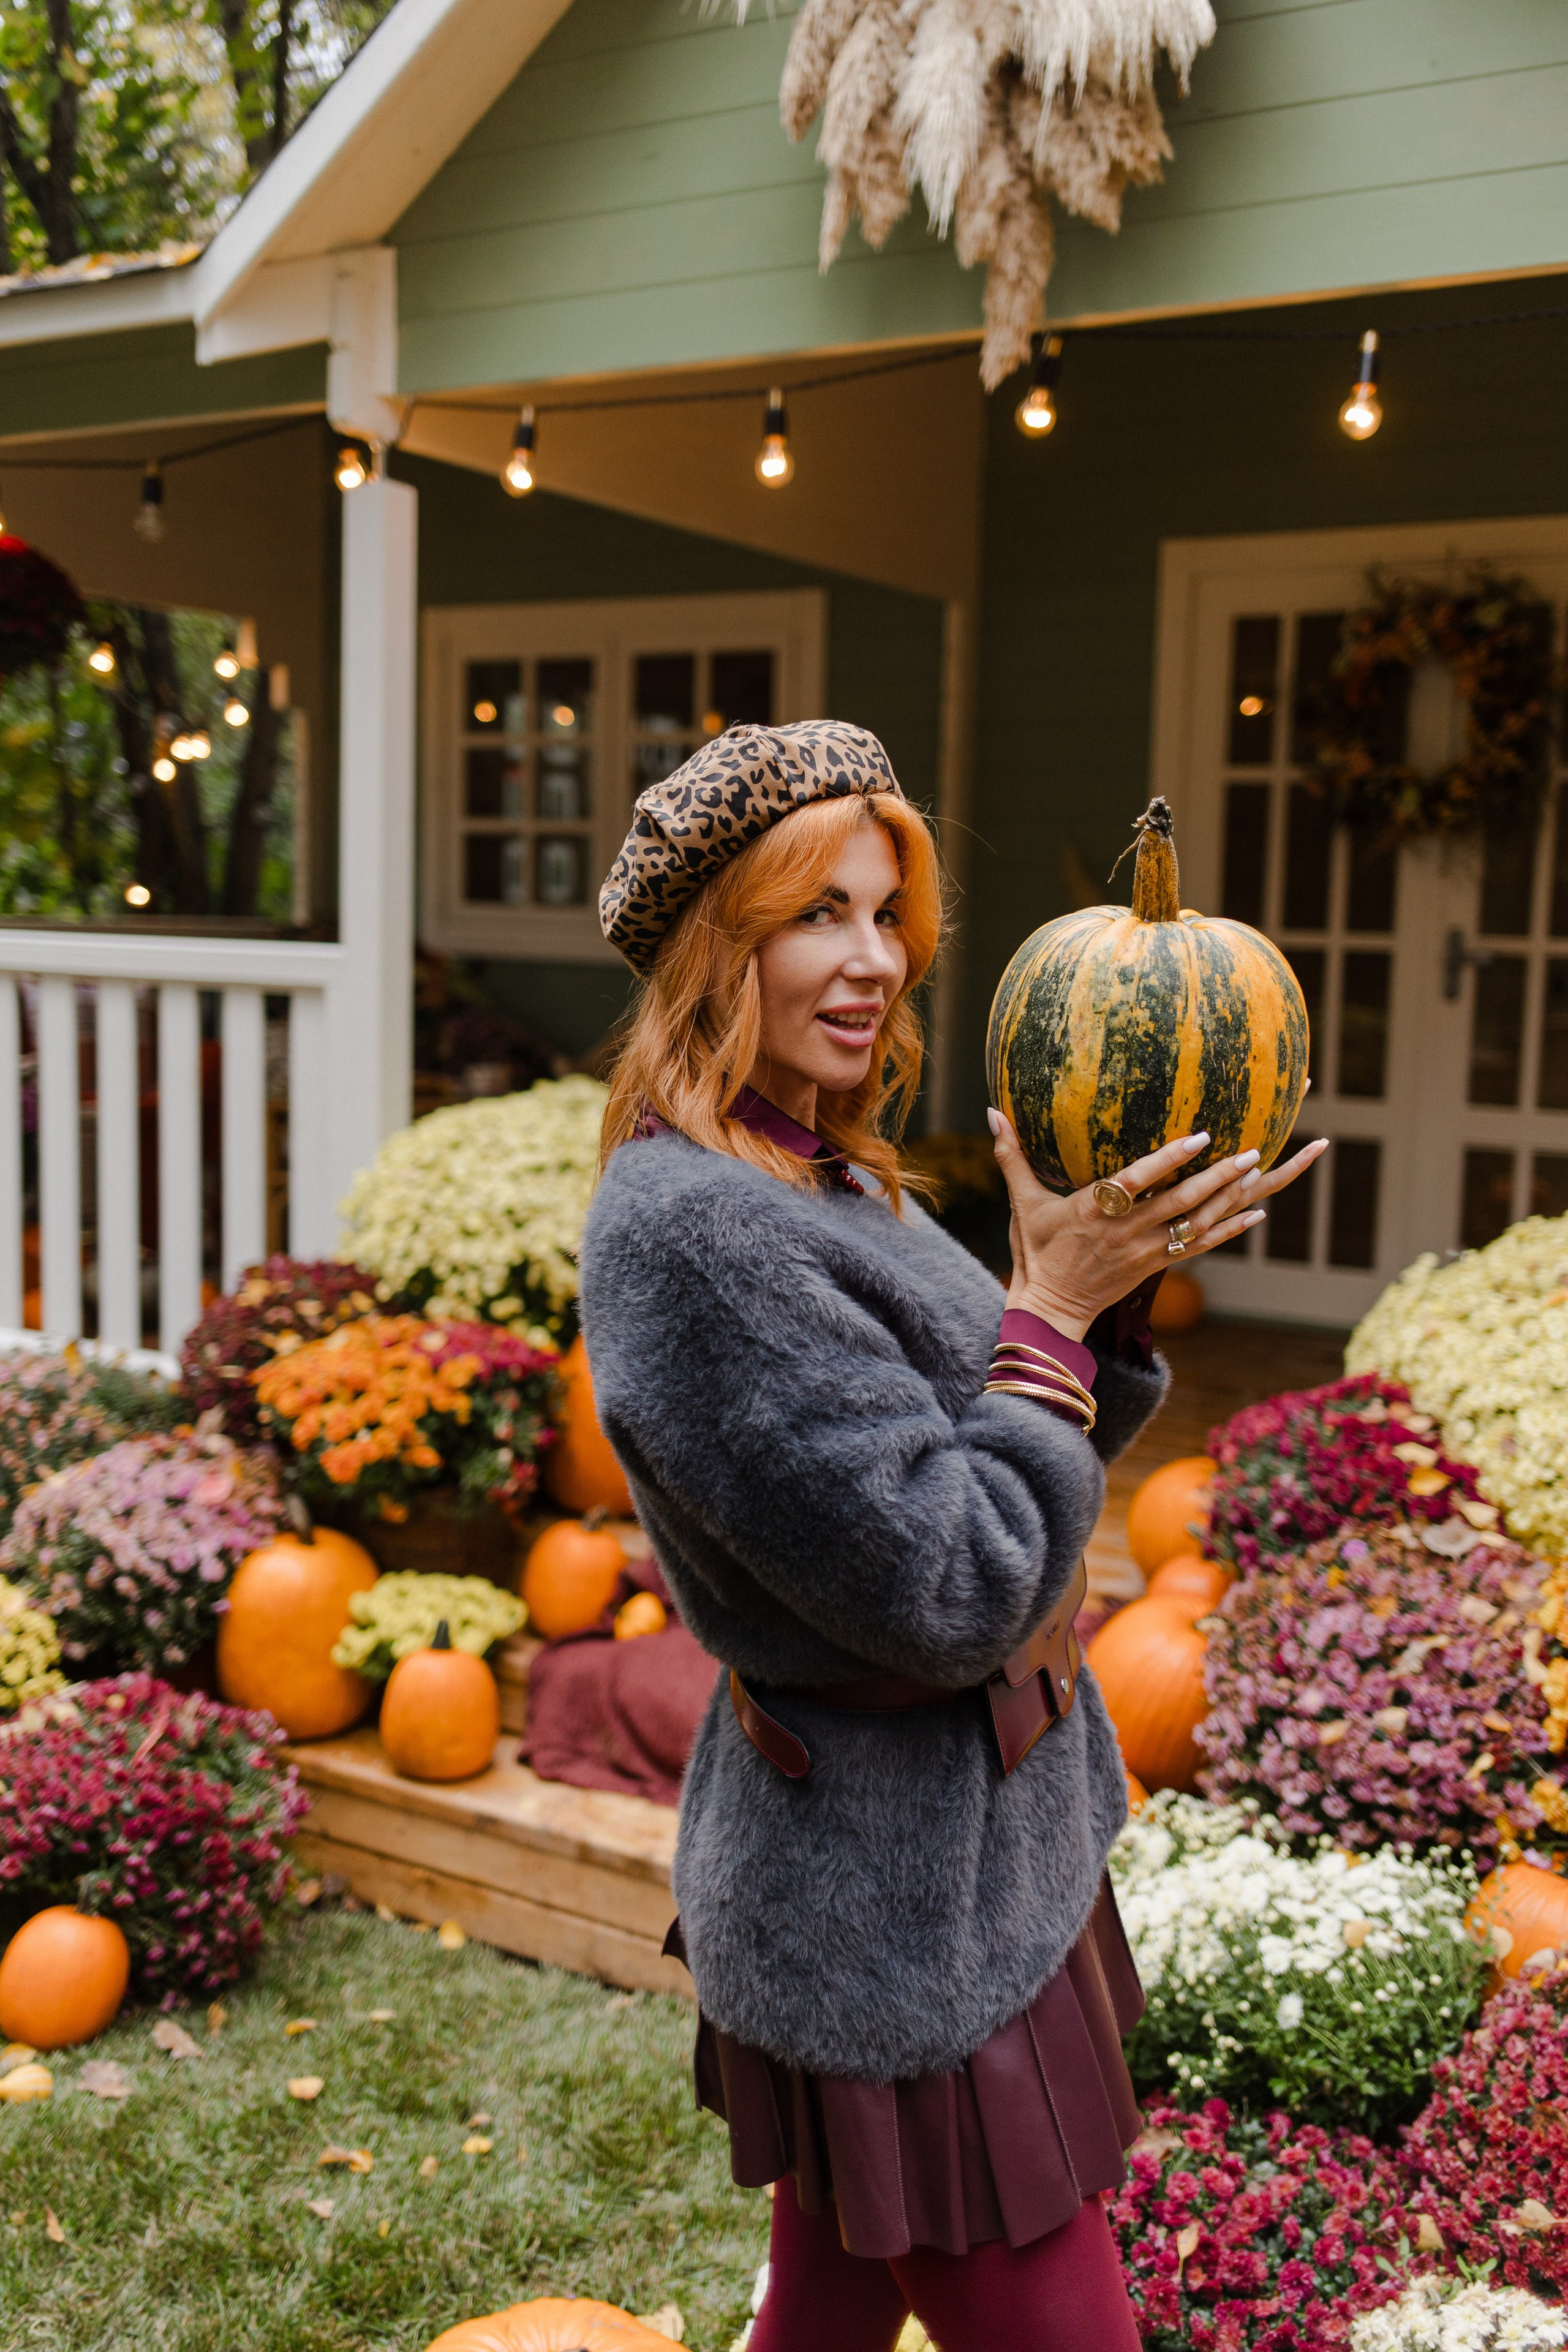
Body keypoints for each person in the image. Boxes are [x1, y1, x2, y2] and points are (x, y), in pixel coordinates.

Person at [580, 722, 1324, 2352]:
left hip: (963, 1853)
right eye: (815, 917)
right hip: (885, 1907)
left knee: (835, 2305)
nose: (875, 962)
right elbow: (952, 1581)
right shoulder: (697, 1235)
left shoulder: (811, 1163)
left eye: (884, 914)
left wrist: (1091, 1310)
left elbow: (998, 1430)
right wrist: (1049, 1308)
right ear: (721, 944)